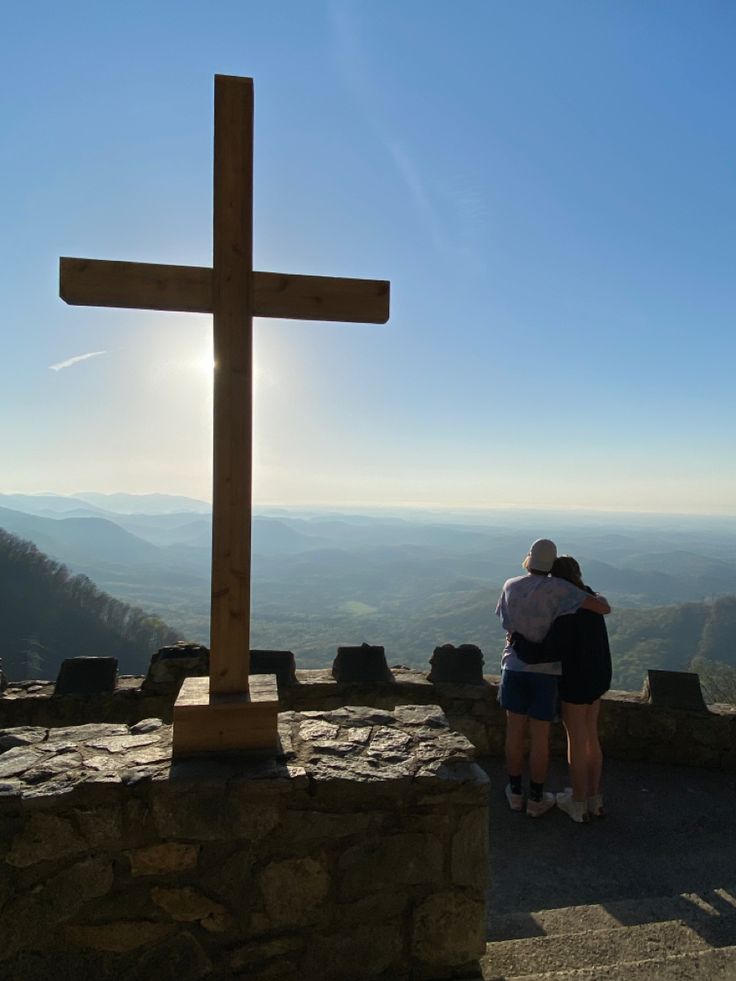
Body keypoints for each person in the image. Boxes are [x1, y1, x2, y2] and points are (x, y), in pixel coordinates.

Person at [495, 539, 611, 818]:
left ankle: (516, 793)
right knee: (545, 739)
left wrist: (519, 639)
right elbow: (602, 608)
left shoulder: (510, 585)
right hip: (555, 674)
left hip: (515, 667)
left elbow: (506, 625)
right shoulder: (563, 590)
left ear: (529, 560)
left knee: (514, 734)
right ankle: (540, 798)